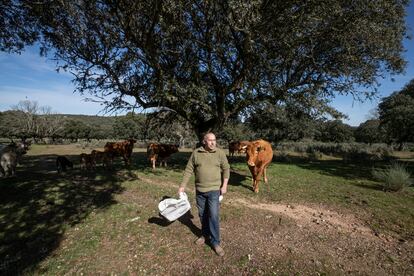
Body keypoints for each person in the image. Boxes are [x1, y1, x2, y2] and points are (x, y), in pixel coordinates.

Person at [178, 132, 230, 257]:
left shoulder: (220, 153)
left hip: (214, 190)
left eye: (214, 140)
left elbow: (226, 169)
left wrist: (224, 185)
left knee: (213, 215)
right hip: (200, 191)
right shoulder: (196, 153)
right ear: (204, 141)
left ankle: (215, 242)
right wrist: (182, 186)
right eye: (210, 140)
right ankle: (205, 235)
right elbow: (188, 170)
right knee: (202, 215)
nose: (213, 142)